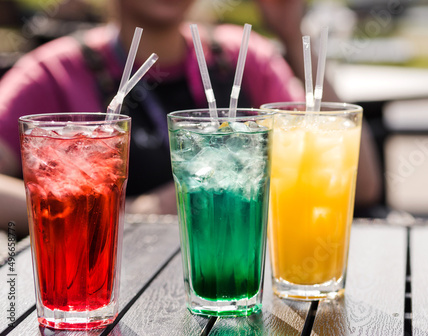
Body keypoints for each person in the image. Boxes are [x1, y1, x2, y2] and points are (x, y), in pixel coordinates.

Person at [0, 0, 382, 235]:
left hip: (244, 282)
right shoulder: (53, 72)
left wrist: (290, 27)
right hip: (107, 287)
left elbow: (359, 184)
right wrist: (106, 212)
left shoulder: (244, 57)